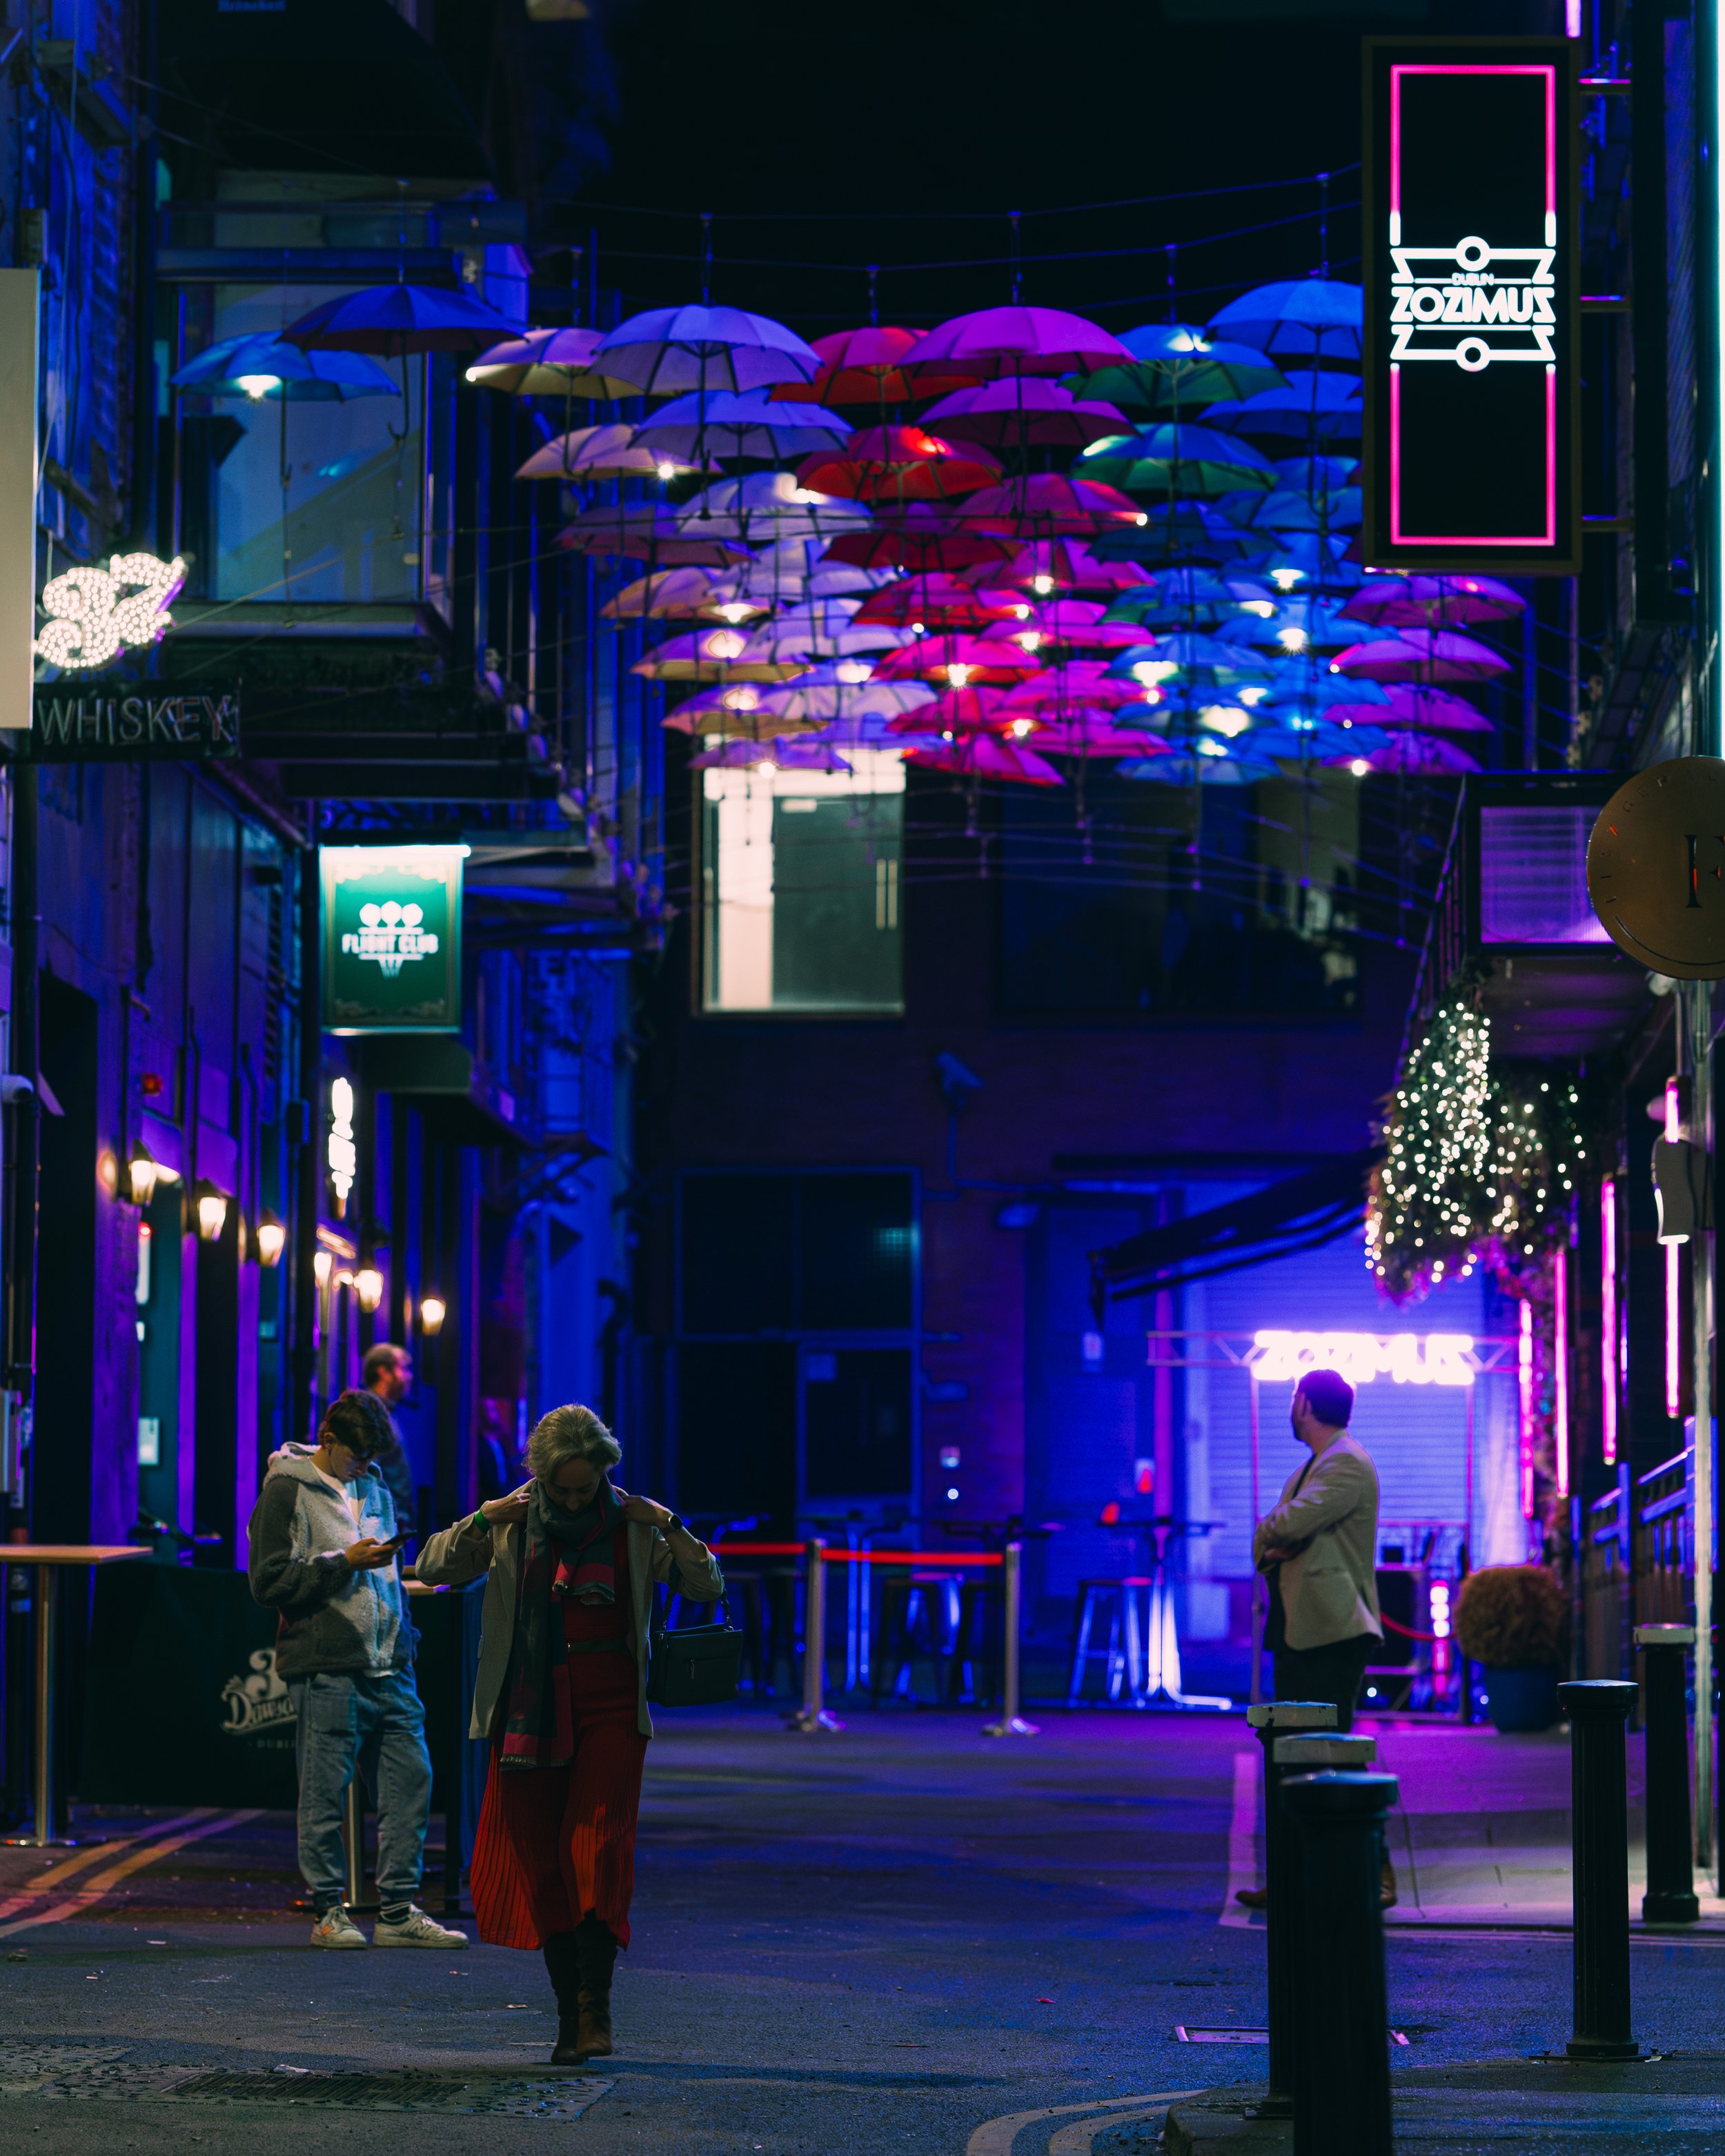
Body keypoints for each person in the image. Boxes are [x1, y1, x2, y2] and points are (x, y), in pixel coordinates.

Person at [416, 1403, 723, 2064]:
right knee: (541, 1858)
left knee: (599, 1847)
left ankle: (597, 2009)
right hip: (527, 1710)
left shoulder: (632, 1523)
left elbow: (705, 1585)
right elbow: (435, 1567)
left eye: (588, 1488)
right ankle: (566, 2015)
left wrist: (669, 1523)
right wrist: (479, 1519)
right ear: (542, 1477)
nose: (578, 1499)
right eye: (565, 1489)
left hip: (612, 1708)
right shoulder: (513, 1519)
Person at [248, 1387, 469, 1951]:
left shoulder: (374, 1485)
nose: (366, 1467)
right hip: (328, 1663)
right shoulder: (285, 1489)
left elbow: (388, 1576)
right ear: (328, 1439)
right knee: (323, 1792)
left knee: (411, 1780)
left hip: (389, 1661)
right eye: (357, 1455)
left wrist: (405, 1635)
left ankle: (395, 1909)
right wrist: (343, 1560)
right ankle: (327, 1910)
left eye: (373, 1458)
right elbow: (267, 1580)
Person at [1238, 1367, 1392, 1908]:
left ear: (1305, 1403)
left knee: (1332, 1751)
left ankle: (1376, 1871)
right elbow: (1269, 1543)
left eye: (1292, 1397)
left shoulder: (1345, 1461)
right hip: (1299, 1625)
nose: (1290, 1406)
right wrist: (1271, 1538)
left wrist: (1272, 1533)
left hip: (1333, 1628)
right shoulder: (1312, 1468)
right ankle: (1293, 1874)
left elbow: (1282, 1527)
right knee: (1290, 1756)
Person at [361, 1341, 419, 1533]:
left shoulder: (387, 1413)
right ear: (384, 1372)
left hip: (392, 1524)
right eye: (403, 1369)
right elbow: (365, 1473)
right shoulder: (370, 1413)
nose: (409, 1377)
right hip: (380, 1528)